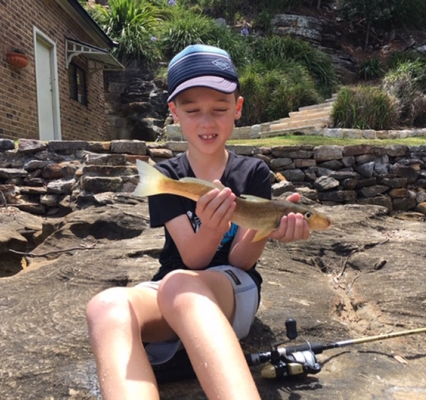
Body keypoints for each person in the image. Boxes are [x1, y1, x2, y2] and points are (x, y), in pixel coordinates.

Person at [86, 44, 310, 400]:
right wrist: (211, 227)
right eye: (192, 111)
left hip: (232, 289)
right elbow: (192, 258)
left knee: (180, 286)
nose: (207, 122)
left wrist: (268, 227)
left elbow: (239, 260)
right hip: (174, 289)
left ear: (237, 108)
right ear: (174, 113)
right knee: (106, 306)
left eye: (220, 109)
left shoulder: (253, 172)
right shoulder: (167, 177)